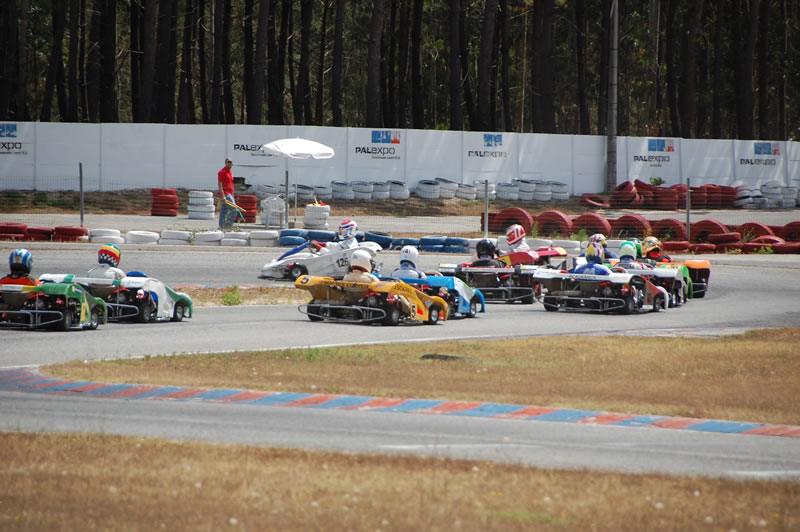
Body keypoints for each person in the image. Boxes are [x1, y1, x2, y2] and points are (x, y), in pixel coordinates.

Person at [217, 158, 239, 230]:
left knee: (224, 210)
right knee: (234, 210)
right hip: (226, 194)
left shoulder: (230, 172)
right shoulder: (222, 172)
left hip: (230, 194)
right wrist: (223, 196)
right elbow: (220, 184)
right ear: (225, 163)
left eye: (230, 162)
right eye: (228, 162)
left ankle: (222, 226)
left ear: (232, 164)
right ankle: (228, 227)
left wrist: (233, 196)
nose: (229, 163)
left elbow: (231, 185)